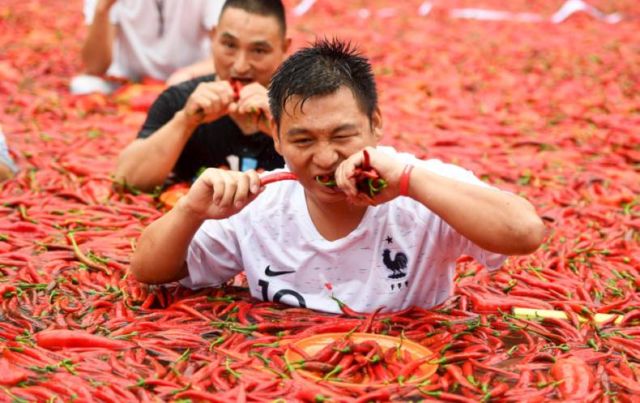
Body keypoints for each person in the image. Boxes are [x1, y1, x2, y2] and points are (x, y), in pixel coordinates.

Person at [131, 39, 546, 314]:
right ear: (275, 136)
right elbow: (148, 270)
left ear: (375, 123)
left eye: (343, 135)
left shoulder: (421, 187)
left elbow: (525, 232)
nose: (325, 158)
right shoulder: (261, 203)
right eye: (303, 140)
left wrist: (409, 182)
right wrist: (190, 211)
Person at [115, 0, 290, 191]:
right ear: (213, 37)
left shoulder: (302, 107)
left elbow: (324, 183)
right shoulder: (180, 101)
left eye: (258, 50)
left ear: (284, 48)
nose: (240, 66)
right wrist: (185, 122)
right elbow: (126, 181)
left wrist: (282, 128)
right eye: (229, 45)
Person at [70, 0, 224, 95]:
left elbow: (227, 55)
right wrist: (102, 9)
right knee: (83, 86)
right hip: (128, 84)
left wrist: (188, 74)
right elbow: (94, 67)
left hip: (188, 82)